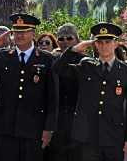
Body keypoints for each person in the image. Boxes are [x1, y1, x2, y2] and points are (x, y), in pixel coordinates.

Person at [0, 13, 56, 161]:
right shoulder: (3, 56)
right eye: (17, 31)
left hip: (34, 128)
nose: (20, 35)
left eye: (24, 31)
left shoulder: (46, 59)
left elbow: (52, 98)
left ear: (33, 33)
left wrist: (48, 129)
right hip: (6, 127)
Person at [55, 22, 127, 161]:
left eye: (108, 41)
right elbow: (58, 69)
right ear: (95, 44)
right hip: (88, 136)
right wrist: (73, 49)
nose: (103, 45)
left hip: (114, 136)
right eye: (99, 42)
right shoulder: (87, 65)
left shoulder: (126, 71)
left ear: (115, 44)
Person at [50, 23, 81, 161]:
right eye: (61, 39)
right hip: (57, 119)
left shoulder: (85, 61)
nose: (65, 42)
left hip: (77, 119)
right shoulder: (52, 60)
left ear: (77, 40)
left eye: (69, 38)